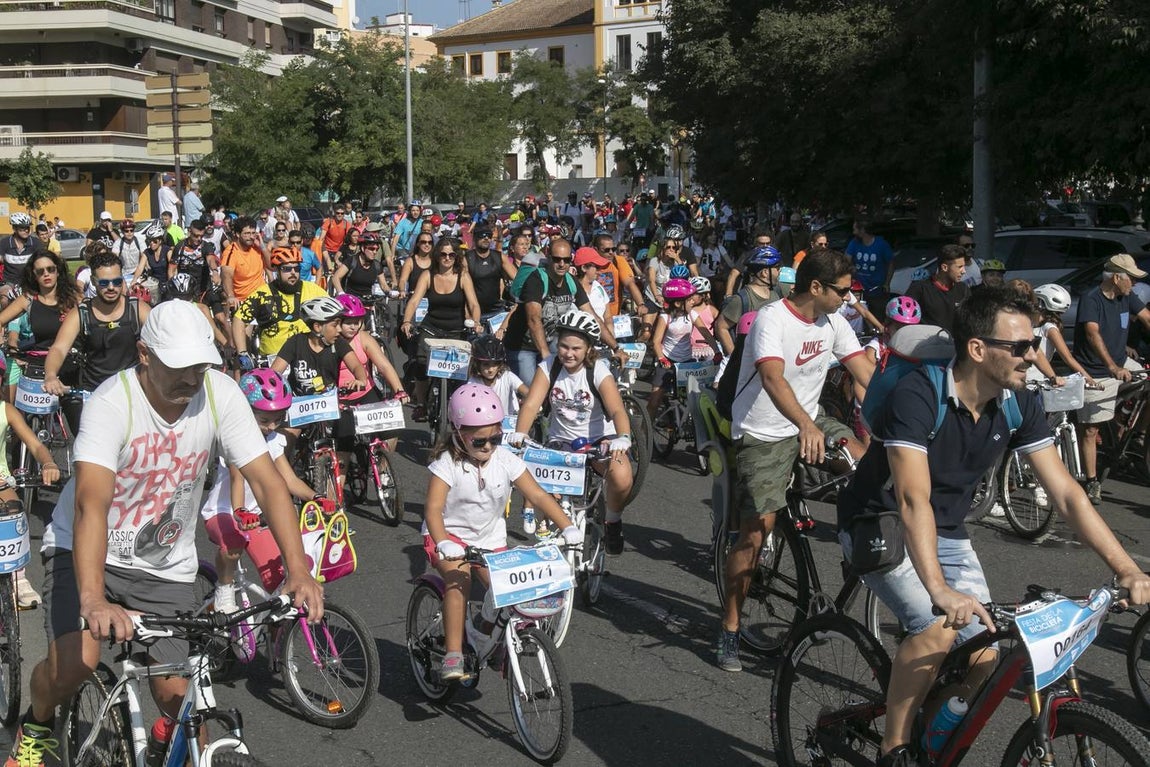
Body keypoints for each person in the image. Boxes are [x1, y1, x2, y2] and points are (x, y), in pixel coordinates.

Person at [836, 287, 1150, 767]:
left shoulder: (1017, 402)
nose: (1033, 356)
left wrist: (1127, 568)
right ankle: (893, 748)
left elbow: (1067, 493)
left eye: (1035, 344)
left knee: (985, 653)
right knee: (938, 626)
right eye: (1020, 347)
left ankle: (930, 733)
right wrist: (940, 590)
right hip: (880, 520)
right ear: (978, 349)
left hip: (946, 529)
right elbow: (912, 498)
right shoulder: (919, 394)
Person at [8, 301, 324, 767]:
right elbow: (90, 505)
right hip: (85, 550)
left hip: (163, 563)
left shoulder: (220, 394)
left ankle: (164, 743)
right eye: (179, 367)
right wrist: (93, 598)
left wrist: (297, 571)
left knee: (180, 695)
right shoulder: (111, 404)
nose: (191, 380)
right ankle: (35, 723)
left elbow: (267, 482)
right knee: (75, 662)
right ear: (144, 355)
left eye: (200, 366)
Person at [717, 249, 872, 673]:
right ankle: (730, 627)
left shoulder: (833, 321)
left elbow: (864, 374)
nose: (850, 297)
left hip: (810, 418)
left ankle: (848, 543)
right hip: (764, 430)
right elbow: (771, 377)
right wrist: (805, 425)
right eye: (843, 290)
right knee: (755, 532)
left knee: (871, 467)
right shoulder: (773, 318)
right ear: (816, 288)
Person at [424, 383, 578, 680]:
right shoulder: (446, 464)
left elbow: (539, 495)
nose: (488, 447)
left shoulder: (505, 460)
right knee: (459, 581)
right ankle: (454, 653)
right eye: (479, 441)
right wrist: (442, 540)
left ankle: (484, 635)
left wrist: (567, 526)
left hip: (488, 539)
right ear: (458, 434)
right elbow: (432, 510)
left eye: (495, 438)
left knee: (508, 592)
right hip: (449, 536)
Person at [200, 368, 326, 613]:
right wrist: (240, 510)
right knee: (233, 544)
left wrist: (316, 497)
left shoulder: (274, 441)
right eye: (264, 420)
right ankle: (224, 589)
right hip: (224, 511)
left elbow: (288, 479)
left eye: (278, 420)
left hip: (254, 518)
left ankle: (276, 632)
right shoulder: (234, 439)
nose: (271, 427)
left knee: (280, 575)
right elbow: (238, 478)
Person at [511, 310, 634, 554]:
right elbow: (532, 404)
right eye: (564, 346)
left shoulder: (598, 370)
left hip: (600, 440)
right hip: (561, 440)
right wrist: (521, 434)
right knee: (542, 489)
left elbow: (618, 411)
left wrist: (623, 437)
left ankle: (612, 520)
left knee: (621, 476)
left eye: (576, 348)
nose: (568, 353)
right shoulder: (549, 367)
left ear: (589, 349)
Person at [1072, 254, 1150, 504]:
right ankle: (1092, 480)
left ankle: (1134, 434)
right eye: (1132, 279)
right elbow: (1092, 334)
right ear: (1117, 278)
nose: (1136, 284)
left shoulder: (1127, 296)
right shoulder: (1091, 299)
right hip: (1095, 369)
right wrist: (1112, 366)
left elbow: (1147, 318)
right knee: (1090, 429)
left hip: (1121, 363)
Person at [45, 251, 151, 434]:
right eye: (104, 283)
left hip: (133, 393)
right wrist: (51, 375)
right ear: (93, 281)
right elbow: (59, 348)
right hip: (94, 393)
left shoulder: (137, 308)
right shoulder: (81, 313)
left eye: (117, 282)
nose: (111, 287)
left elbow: (163, 340)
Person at [501, 239, 623, 385]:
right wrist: (546, 356)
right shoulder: (536, 280)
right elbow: (534, 319)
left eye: (566, 260)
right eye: (557, 259)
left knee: (558, 387)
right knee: (532, 391)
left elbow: (593, 316)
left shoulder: (571, 282)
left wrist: (616, 347)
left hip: (550, 341)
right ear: (548, 257)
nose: (562, 264)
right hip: (522, 346)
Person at [400, 238, 481, 420]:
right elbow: (414, 301)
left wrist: (476, 322)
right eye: (443, 254)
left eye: (451, 255)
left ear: (456, 257)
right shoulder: (427, 276)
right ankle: (421, 403)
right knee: (420, 364)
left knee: (461, 372)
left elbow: (474, 304)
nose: (447, 258)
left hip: (456, 330)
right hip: (431, 329)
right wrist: (407, 320)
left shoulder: (463, 277)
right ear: (437, 256)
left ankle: (457, 403)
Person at [333, 293, 406, 455]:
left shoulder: (364, 338)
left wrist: (399, 390)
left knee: (392, 430)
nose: (353, 327)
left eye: (357, 322)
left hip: (366, 393)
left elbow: (384, 366)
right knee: (344, 448)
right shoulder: (330, 341)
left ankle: (382, 471)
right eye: (349, 323)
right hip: (339, 399)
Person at [233, 246, 328, 363]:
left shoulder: (313, 290)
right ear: (277, 270)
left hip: (305, 360)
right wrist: (242, 353)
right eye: (287, 269)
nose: (293, 273)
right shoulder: (262, 293)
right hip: (271, 360)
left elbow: (333, 313)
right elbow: (239, 319)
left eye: (296, 268)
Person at [714, 247, 783, 355]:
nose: (779, 271)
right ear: (765, 272)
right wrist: (735, 359)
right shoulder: (741, 299)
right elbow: (721, 327)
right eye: (777, 268)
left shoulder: (776, 293)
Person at [906, 244, 970, 334]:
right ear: (944, 267)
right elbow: (905, 319)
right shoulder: (920, 289)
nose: (964, 271)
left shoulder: (963, 290)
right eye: (959, 267)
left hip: (955, 345)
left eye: (964, 266)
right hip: (928, 345)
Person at [465, 226, 516, 329]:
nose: (486, 238)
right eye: (482, 236)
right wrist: (468, 316)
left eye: (489, 236)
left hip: (497, 312)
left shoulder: (499, 257)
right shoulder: (467, 258)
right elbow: (462, 290)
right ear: (474, 238)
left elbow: (519, 280)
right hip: (475, 313)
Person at [467, 334, 526, 418]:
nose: (490, 369)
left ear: (500, 364)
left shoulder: (507, 376)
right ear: (478, 365)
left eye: (495, 364)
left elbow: (527, 392)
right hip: (484, 422)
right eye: (486, 365)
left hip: (509, 424)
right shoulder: (473, 382)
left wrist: (529, 404)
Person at [845, 217, 894, 307]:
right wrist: (851, 269)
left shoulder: (882, 244)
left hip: (877, 291)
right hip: (858, 290)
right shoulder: (854, 243)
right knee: (856, 318)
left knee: (876, 316)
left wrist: (887, 283)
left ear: (862, 230)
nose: (853, 232)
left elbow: (891, 264)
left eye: (855, 229)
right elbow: (846, 260)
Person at [220, 217, 265, 311]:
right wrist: (230, 296)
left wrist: (263, 247)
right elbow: (226, 276)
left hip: (263, 298)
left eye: (253, 233)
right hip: (244, 301)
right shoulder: (231, 253)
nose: (251, 237)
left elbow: (272, 267)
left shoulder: (257, 248)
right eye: (247, 233)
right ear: (237, 234)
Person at [332, 231, 392, 299]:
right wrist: (341, 293)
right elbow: (335, 278)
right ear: (363, 248)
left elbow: (384, 285)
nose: (375, 252)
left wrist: (390, 292)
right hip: (351, 301)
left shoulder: (377, 265)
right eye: (371, 249)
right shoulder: (352, 261)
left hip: (368, 301)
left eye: (376, 249)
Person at [0, 212, 41, 305]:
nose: (26, 230)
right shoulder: (5, 243)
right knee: (4, 299)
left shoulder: (35, 243)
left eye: (27, 227)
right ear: (14, 228)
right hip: (9, 282)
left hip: (30, 281)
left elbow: (43, 259)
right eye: (22, 228)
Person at [575, 246, 613, 322]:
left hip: (603, 333)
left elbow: (608, 318)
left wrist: (610, 333)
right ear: (584, 268)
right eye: (597, 267)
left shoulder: (599, 287)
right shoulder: (572, 289)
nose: (600, 271)